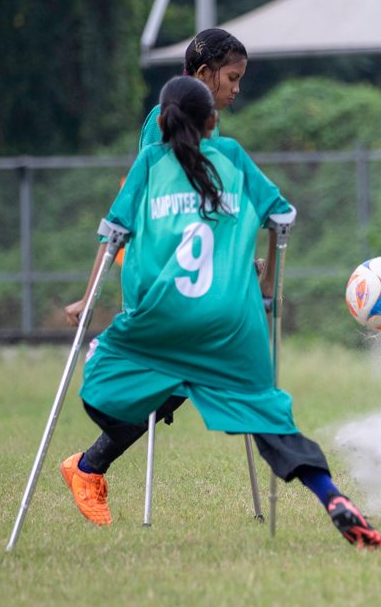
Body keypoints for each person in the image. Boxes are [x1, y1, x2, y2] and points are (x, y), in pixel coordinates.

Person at [59, 76, 381, 548]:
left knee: (103, 379)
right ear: (212, 120)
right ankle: (330, 495)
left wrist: (89, 299)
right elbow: (282, 218)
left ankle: (92, 456)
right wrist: (266, 281)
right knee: (266, 415)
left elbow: (115, 235)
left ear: (164, 123)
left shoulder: (151, 160)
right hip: (233, 325)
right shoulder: (231, 155)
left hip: (160, 321)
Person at [66, 28, 254, 468]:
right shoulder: (165, 118)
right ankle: (114, 352)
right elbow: (143, 203)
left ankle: (89, 465)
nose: (237, 88)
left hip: (192, 268)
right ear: (205, 74)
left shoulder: (212, 123)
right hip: (163, 266)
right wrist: (90, 292)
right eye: (232, 77)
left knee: (190, 375)